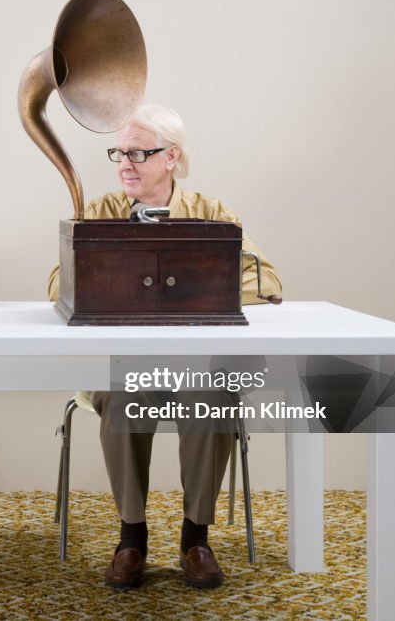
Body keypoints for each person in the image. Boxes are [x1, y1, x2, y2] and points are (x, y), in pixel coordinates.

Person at [47, 105, 281, 590]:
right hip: (125, 367)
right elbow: (57, 285)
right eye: (120, 153)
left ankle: (196, 538)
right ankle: (130, 538)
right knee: (119, 394)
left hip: (194, 366)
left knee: (213, 397)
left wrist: (195, 289)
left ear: (171, 157)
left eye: (139, 153)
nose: (124, 163)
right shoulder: (98, 213)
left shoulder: (214, 215)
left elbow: (267, 277)